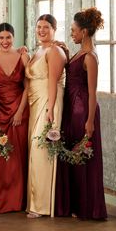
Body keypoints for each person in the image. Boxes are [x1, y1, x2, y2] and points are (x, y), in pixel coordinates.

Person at [55, 7, 107, 220]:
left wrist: (90, 121)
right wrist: (66, 53)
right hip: (71, 108)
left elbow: (92, 91)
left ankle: (88, 207)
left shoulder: (90, 57)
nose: (71, 33)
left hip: (82, 110)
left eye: (74, 30)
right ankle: (75, 203)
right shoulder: (78, 52)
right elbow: (71, 71)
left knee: (82, 156)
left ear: (84, 31)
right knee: (72, 154)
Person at [0, 22, 29, 213]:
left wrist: (19, 112)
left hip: (20, 112)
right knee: (0, 159)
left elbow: (28, 87)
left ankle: (19, 201)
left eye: (8, 37)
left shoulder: (23, 56)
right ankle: (1, 199)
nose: (5, 41)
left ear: (13, 37)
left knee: (19, 157)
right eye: (1, 38)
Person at [25, 14, 67, 218]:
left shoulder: (55, 51)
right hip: (35, 102)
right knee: (34, 149)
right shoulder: (39, 50)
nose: (41, 30)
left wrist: (51, 108)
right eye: (38, 26)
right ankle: (35, 200)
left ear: (54, 29)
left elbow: (53, 81)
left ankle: (43, 205)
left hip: (48, 102)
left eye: (46, 27)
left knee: (41, 149)